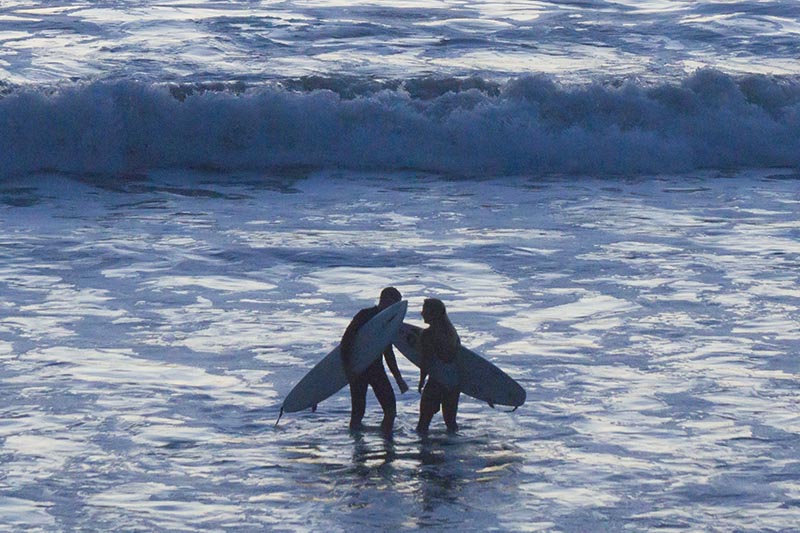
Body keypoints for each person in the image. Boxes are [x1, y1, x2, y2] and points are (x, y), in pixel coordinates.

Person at [340, 287, 409, 434]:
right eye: (395, 304)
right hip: (358, 369)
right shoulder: (364, 315)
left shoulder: (388, 321)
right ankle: (358, 448)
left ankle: (387, 442)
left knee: (390, 410)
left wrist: (399, 379)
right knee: (358, 412)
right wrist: (349, 370)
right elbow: (346, 342)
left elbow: (388, 351)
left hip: (376, 369)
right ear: (385, 300)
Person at [416, 298, 461, 434]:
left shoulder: (428, 334)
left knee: (423, 425)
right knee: (451, 424)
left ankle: (424, 452)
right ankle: (452, 454)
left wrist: (421, 381)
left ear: (433, 313)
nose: (422, 313)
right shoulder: (451, 332)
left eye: (425, 310)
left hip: (436, 382)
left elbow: (427, 361)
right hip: (453, 383)